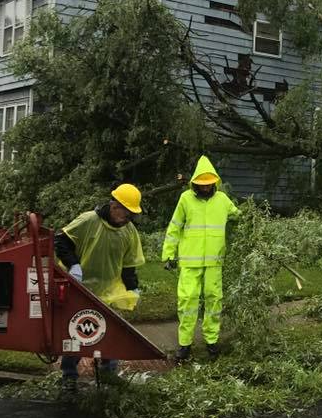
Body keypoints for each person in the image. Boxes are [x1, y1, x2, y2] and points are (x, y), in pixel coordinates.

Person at [54, 184, 145, 389]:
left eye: (131, 214)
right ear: (114, 206)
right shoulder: (88, 221)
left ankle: (108, 373)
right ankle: (69, 376)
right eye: (126, 213)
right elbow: (61, 241)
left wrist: (132, 288)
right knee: (77, 331)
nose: (128, 218)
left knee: (110, 331)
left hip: (109, 290)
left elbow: (129, 265)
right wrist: (74, 265)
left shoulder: (129, 232)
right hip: (80, 286)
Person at [162, 156, 239, 362]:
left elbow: (237, 215)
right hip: (189, 261)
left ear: (214, 182)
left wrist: (252, 219)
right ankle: (185, 344)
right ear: (195, 183)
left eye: (208, 185)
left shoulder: (222, 200)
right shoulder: (186, 199)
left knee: (214, 300)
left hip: (214, 261)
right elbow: (175, 227)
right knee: (187, 301)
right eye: (201, 185)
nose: (205, 188)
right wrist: (169, 254)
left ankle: (211, 341)